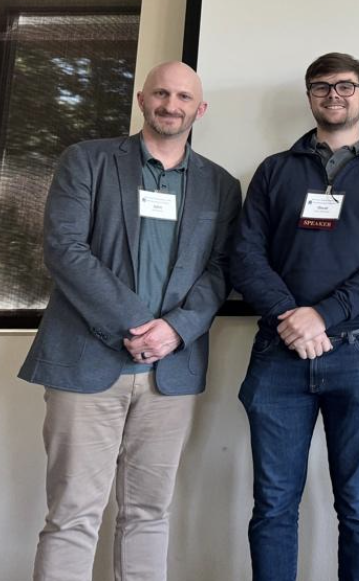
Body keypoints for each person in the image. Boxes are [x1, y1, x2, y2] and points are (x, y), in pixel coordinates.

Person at [18, 61, 240, 580]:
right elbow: (65, 249)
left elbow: (222, 269)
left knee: (149, 514)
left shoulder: (221, 185)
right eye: (161, 93)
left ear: (199, 109)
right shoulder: (87, 161)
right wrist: (139, 325)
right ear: (142, 99)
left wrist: (176, 330)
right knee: (73, 515)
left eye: (184, 97)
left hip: (172, 373)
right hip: (86, 364)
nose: (171, 104)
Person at [231, 52, 359, 581]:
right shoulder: (274, 171)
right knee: (273, 503)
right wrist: (291, 315)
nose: (333, 95)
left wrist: (324, 315)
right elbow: (246, 255)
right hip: (278, 351)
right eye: (321, 86)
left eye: (345, 86)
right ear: (309, 96)